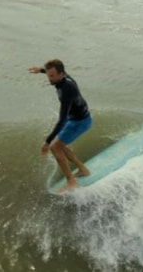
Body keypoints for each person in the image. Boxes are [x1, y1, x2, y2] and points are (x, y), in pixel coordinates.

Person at [28, 59, 92, 193]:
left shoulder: (67, 91)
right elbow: (52, 72)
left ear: (61, 74)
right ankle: (82, 170)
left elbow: (62, 120)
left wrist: (47, 141)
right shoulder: (63, 78)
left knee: (54, 146)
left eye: (52, 76)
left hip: (80, 121)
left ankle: (71, 182)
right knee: (59, 145)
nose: (49, 79)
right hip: (76, 118)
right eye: (48, 75)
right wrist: (40, 70)